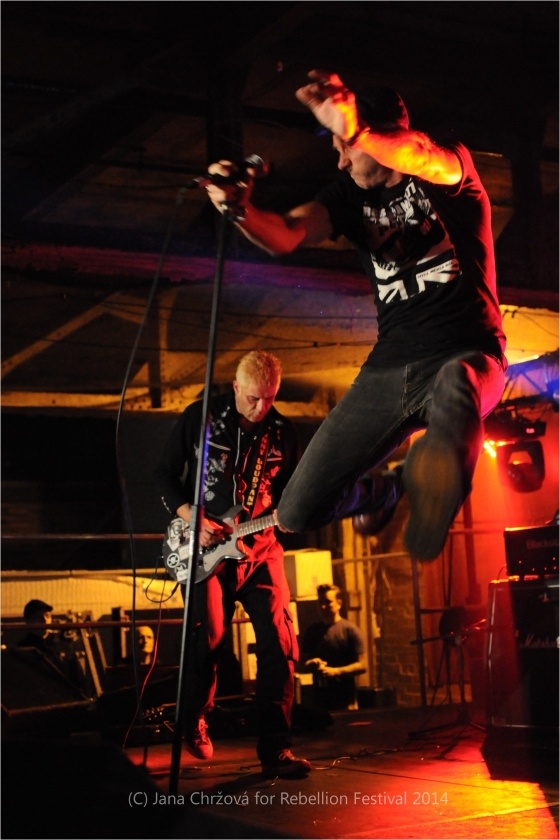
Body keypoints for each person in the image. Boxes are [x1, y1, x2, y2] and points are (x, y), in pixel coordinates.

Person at [204, 69, 507, 563]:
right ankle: (390, 490)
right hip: (388, 370)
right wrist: (238, 211)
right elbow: (287, 233)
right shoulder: (347, 196)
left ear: (382, 134)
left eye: (346, 146)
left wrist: (358, 130)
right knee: (295, 511)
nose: (341, 159)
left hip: (468, 354)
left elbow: (419, 155)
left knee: (457, 384)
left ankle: (439, 486)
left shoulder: (449, 168)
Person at [153, 350, 311, 779]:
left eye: (270, 399)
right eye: (253, 398)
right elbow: (163, 475)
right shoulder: (200, 418)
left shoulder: (284, 433)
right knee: (208, 637)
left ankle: (277, 748)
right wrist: (191, 516)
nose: (261, 408)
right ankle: (193, 716)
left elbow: (292, 495)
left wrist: (294, 514)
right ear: (237, 387)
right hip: (208, 550)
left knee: (280, 645)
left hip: (261, 549)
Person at [299, 584, 365, 711]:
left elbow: (363, 665)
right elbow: (299, 665)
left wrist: (335, 671)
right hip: (319, 703)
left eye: (328, 602)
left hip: (345, 701)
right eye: (320, 602)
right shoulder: (312, 632)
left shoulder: (349, 630)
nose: (323, 607)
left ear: (339, 603)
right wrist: (311, 664)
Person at [18, 599, 88, 693]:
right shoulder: (23, 648)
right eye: (38, 617)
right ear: (28, 621)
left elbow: (77, 675)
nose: (44, 620)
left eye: (47, 616)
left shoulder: (61, 644)